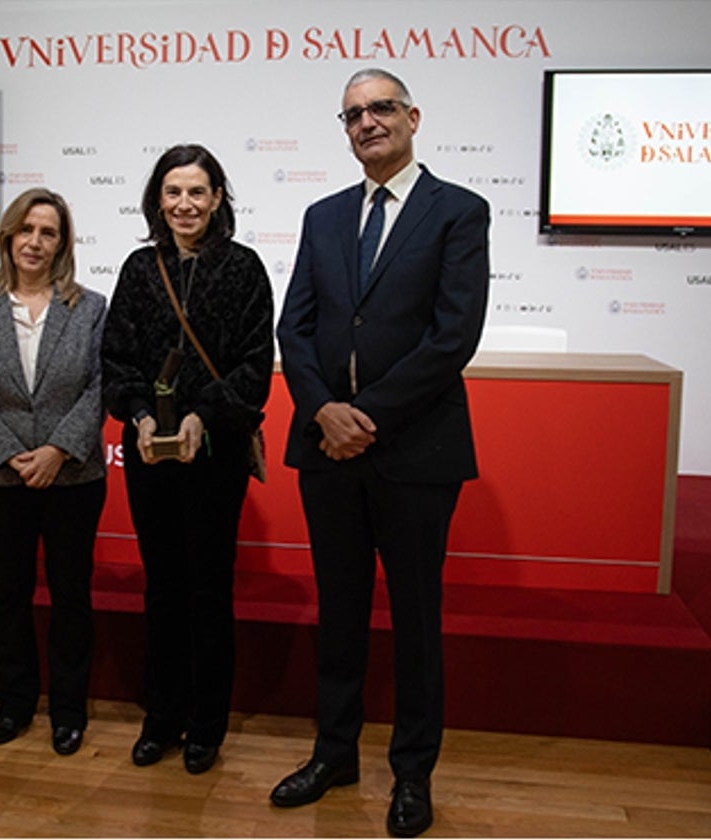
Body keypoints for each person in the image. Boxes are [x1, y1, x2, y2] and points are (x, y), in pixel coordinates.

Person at [270, 69, 490, 837]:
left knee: (416, 619)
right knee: (340, 611)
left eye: (381, 108)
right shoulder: (323, 216)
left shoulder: (458, 210)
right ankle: (335, 754)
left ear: (412, 116)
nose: (368, 122)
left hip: (414, 451)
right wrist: (323, 411)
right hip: (328, 450)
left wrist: (364, 415)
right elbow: (293, 329)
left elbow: (452, 337)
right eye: (354, 114)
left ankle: (412, 773)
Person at [101, 144, 274, 775]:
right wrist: (141, 415)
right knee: (161, 589)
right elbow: (115, 358)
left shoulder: (245, 268)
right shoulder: (139, 270)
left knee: (208, 589)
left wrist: (205, 414)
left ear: (218, 199)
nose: (184, 204)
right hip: (148, 452)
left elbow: (256, 365)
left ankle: (206, 725)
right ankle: (161, 718)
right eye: (173, 192)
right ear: (157, 201)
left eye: (197, 192)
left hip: (215, 454)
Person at [0, 188, 107, 756]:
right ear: (8, 237)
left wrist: (58, 451)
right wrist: (11, 451)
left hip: (73, 477)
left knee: (71, 596)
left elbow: (99, 386)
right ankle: (15, 704)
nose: (35, 242)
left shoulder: (90, 308)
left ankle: (69, 710)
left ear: (62, 242)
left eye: (48, 232)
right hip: (4, 477)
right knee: (11, 594)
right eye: (26, 230)